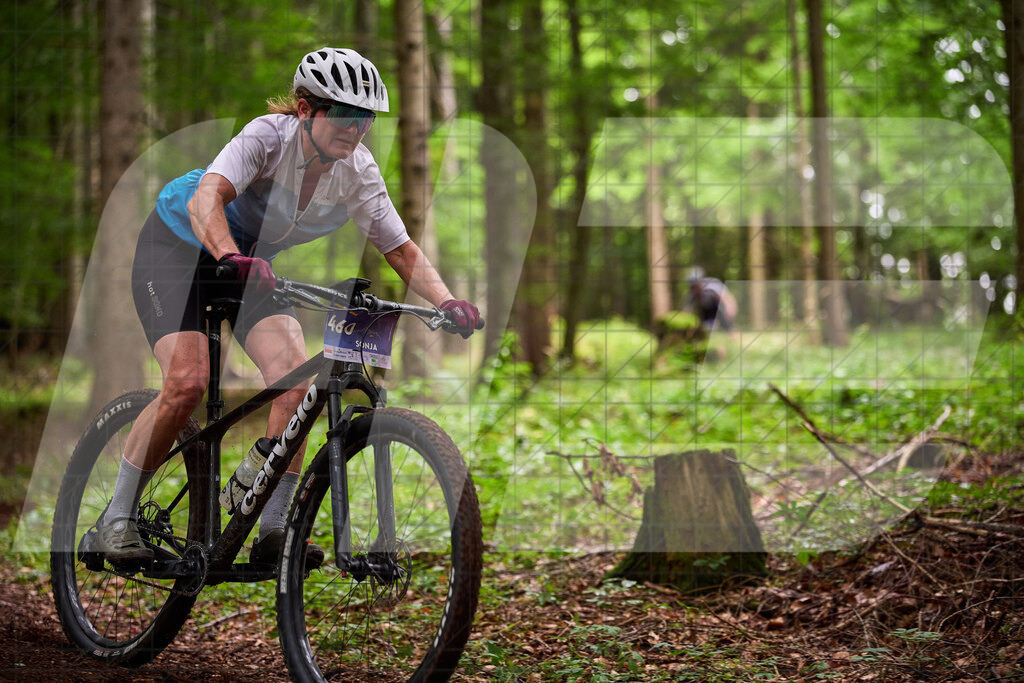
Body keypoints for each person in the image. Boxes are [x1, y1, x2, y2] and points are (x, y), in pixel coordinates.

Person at [94, 48, 480, 567]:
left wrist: (447, 301)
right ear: (304, 109)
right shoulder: (266, 138)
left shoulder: (358, 171)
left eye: (365, 117)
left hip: (251, 263)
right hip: (178, 248)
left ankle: (272, 530)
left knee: (297, 383)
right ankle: (114, 518)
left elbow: (401, 249)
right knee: (187, 380)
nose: (356, 128)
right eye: (343, 114)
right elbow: (207, 196)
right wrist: (230, 254)